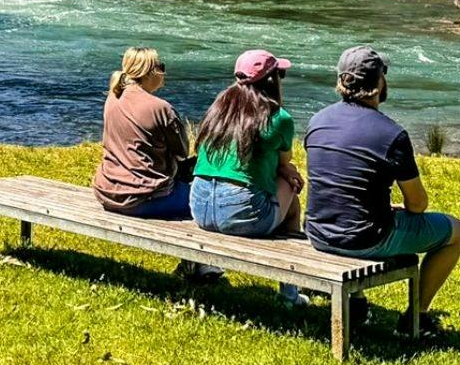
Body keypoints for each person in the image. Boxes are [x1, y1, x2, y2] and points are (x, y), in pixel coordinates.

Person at [304, 45, 460, 335]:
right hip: (365, 238)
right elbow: (417, 205)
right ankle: (416, 317)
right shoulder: (392, 134)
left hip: (318, 233)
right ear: (380, 83)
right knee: (455, 230)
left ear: (342, 81)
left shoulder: (317, 121)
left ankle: (357, 303)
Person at [190, 49, 308, 306]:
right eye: (280, 74)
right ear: (270, 81)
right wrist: (284, 169)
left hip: (199, 208)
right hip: (241, 214)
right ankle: (290, 294)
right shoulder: (278, 118)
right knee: (291, 190)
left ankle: (202, 268)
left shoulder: (219, 107)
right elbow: (284, 160)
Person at [92, 47, 192, 219]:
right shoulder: (161, 108)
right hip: (146, 198)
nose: (163, 72)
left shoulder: (112, 98)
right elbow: (182, 152)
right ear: (148, 73)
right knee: (205, 197)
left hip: (108, 192)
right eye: (161, 67)